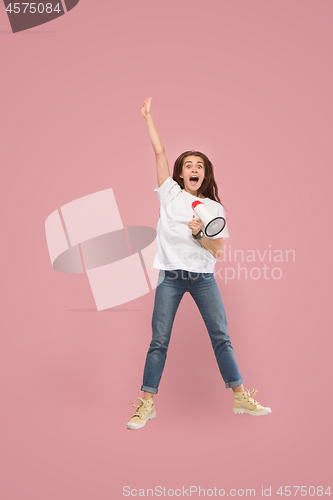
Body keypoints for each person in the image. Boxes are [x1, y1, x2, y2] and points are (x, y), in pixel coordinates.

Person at [127, 97, 271, 430]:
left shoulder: (213, 209)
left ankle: (240, 396)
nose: (194, 169)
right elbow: (159, 152)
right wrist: (148, 118)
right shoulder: (171, 195)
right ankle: (147, 405)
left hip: (203, 278)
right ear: (180, 173)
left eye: (199, 166)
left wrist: (198, 236)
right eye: (188, 165)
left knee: (221, 336)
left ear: (205, 175)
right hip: (171, 278)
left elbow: (217, 251)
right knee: (159, 341)